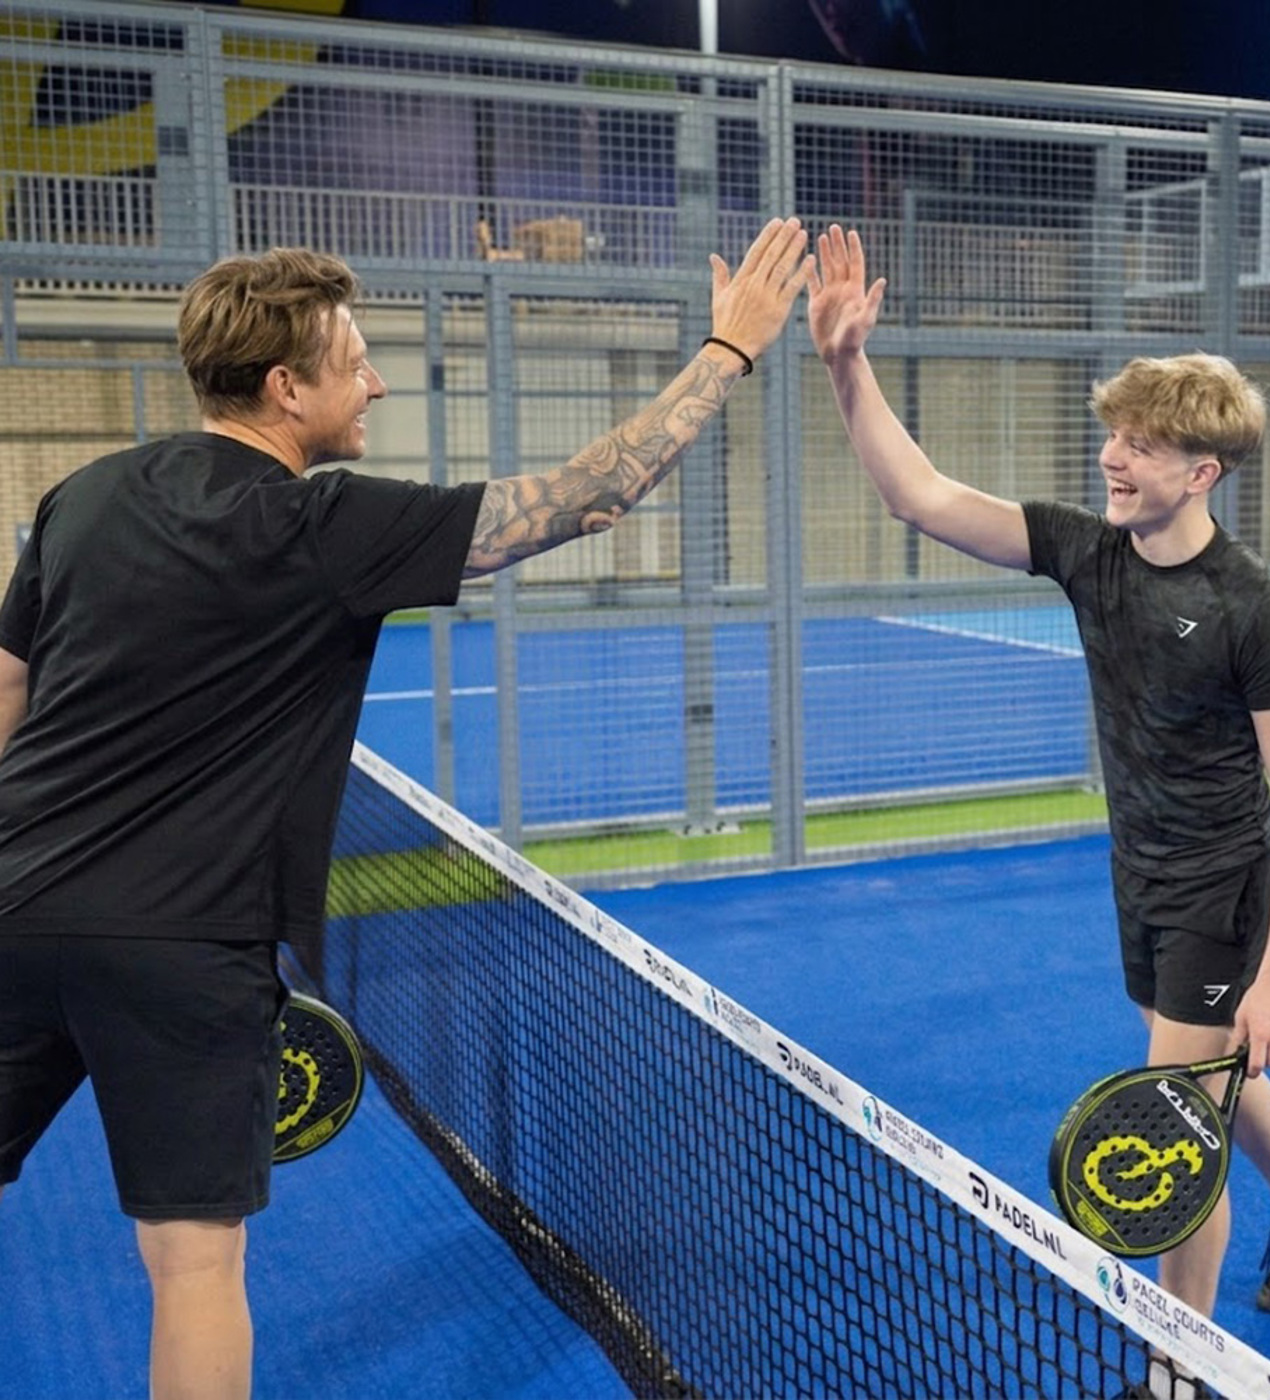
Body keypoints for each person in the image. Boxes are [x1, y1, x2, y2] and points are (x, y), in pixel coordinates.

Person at [0, 216, 810, 1400]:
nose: (374, 379)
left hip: (13, 909)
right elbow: (593, 494)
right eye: (356, 360)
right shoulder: (328, 526)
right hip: (185, 948)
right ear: (287, 387)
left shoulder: (82, 494)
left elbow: (10, 682)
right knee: (191, 1266)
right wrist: (728, 349)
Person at [805, 224, 1270, 1399]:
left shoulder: (1254, 610)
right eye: (1111, 432)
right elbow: (917, 495)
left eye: (1140, 444)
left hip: (1222, 885)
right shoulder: (1087, 552)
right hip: (1141, 873)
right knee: (1205, 1072)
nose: (1111, 454)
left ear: (1200, 471)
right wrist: (844, 364)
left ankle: (1177, 1367)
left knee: (1172, 1118)